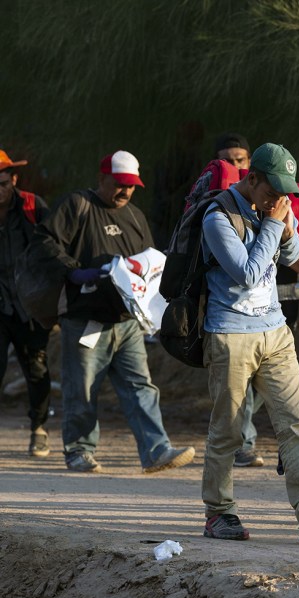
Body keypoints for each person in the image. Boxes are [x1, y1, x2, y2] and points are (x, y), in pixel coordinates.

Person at [199, 142, 299, 542]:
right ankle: (219, 512)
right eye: (271, 191)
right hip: (230, 334)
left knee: (294, 423)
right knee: (228, 429)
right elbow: (246, 273)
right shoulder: (217, 218)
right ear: (251, 179)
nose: (279, 199)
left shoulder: (275, 209)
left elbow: (291, 254)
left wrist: (283, 228)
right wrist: (270, 226)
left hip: (276, 332)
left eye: (286, 193)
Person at [31, 150, 196, 473]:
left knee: (141, 386)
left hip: (127, 323)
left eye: (131, 186)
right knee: (82, 387)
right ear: (101, 178)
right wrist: (74, 271)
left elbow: (149, 265)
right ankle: (79, 450)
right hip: (85, 320)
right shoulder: (77, 205)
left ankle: (156, 450)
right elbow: (44, 242)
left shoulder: (134, 217)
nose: (125, 191)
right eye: (119, 184)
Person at [0, 149, 53, 457]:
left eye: (3, 183)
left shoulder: (33, 206)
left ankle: (39, 428)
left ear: (13, 180)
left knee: (35, 368)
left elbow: (54, 247)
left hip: (29, 303)